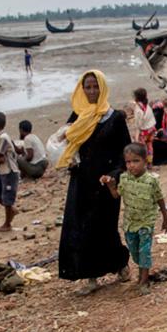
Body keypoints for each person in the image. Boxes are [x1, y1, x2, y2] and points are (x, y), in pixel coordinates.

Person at [56, 70, 132, 295]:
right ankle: (91, 277)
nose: (91, 92)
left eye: (95, 87)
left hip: (105, 183)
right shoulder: (77, 115)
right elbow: (69, 144)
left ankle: (120, 263)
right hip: (81, 182)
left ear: (102, 88)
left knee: (105, 227)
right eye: (87, 87)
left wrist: (115, 174)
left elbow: (124, 151)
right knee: (81, 227)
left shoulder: (114, 117)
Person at [100, 143, 167, 294]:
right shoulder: (124, 179)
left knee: (144, 250)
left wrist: (165, 218)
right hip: (130, 223)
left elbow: (160, 199)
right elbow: (116, 195)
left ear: (145, 161)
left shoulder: (151, 181)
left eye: (136, 161)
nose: (132, 165)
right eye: (128, 162)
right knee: (134, 251)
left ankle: (144, 281)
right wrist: (111, 185)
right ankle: (142, 272)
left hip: (146, 222)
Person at [129, 87, 156, 164]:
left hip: (144, 132)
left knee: (142, 150)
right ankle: (150, 163)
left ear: (136, 98)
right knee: (150, 147)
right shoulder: (147, 105)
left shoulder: (138, 109)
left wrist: (136, 138)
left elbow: (139, 126)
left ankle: (144, 165)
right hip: (151, 129)